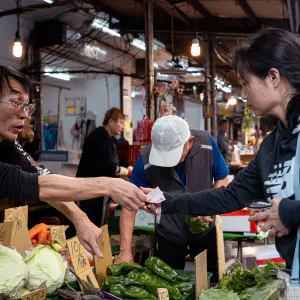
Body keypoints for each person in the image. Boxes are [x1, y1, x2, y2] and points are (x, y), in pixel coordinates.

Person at [147, 28, 300, 270]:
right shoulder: (270, 147)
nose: (243, 93)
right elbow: (228, 196)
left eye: (245, 83)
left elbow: (288, 211)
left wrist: (290, 212)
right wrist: (165, 202)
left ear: (273, 77)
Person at [0, 65, 147, 258]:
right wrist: (109, 185)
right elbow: (31, 184)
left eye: (27, 106)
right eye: (16, 102)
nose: (25, 114)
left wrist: (79, 217)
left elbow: (42, 177)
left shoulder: (7, 145)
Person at [116, 116, 229, 281]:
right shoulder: (146, 160)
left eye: (174, 154)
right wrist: (124, 250)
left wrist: (208, 208)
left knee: (211, 283)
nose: (169, 163)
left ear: (189, 142)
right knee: (167, 287)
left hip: (205, 231)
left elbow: (222, 177)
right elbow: (128, 205)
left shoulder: (207, 143)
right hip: (168, 235)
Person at [76, 108, 132, 227]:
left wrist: (130, 167)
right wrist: (125, 171)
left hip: (99, 188)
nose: (122, 127)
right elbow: (108, 165)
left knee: (98, 220)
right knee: (89, 221)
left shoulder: (111, 138)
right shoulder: (99, 136)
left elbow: (119, 159)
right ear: (111, 122)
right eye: (121, 123)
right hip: (88, 189)